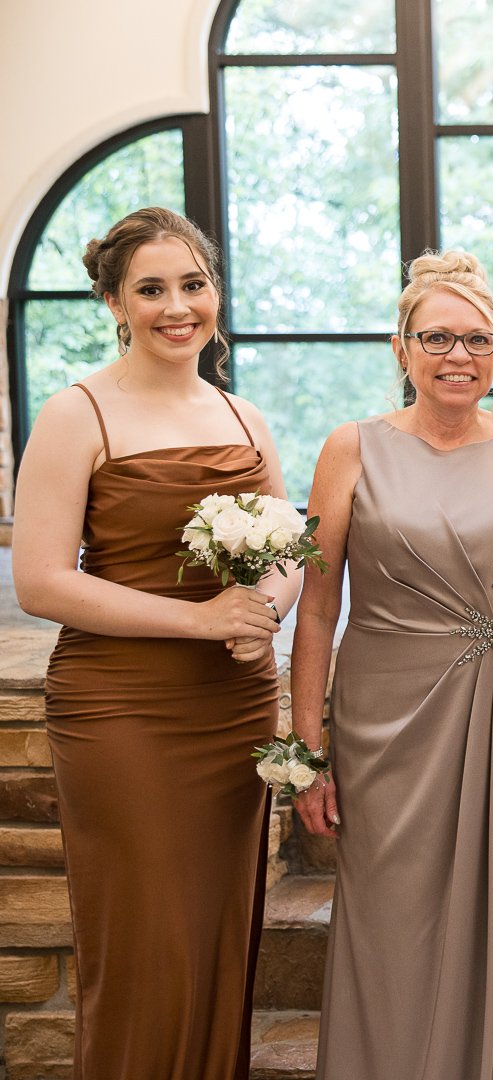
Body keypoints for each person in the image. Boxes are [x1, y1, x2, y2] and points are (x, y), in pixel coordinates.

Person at [13, 206, 294, 1078]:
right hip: (122, 708)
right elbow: (40, 581)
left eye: (194, 284)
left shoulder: (243, 416)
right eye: (151, 289)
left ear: (216, 292)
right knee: (144, 941)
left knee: (216, 933)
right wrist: (202, 620)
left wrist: (264, 610)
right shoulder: (78, 413)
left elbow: (289, 548)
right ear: (114, 303)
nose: (178, 307)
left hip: (234, 706)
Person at [289, 250, 493, 1080]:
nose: (459, 356)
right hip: (385, 726)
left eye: (479, 339)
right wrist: (307, 754)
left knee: (491, 911)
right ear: (401, 348)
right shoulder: (351, 449)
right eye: (438, 338)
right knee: (389, 923)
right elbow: (317, 608)